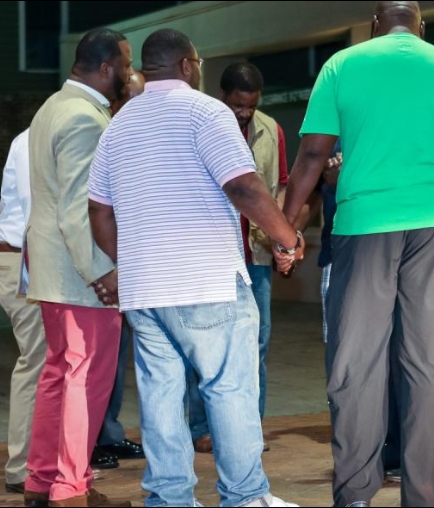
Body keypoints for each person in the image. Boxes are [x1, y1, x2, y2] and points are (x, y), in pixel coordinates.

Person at [281, 2, 434, 505]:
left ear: (375, 25)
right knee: (426, 364)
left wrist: (286, 229)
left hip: (365, 225)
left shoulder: (343, 65)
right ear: (422, 26)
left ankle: (356, 493)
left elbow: (313, 153)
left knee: (356, 363)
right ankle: (425, 495)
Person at [88, 28, 300, 508]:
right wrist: (288, 238)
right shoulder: (207, 112)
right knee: (230, 389)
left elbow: (98, 210)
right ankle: (245, 496)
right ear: (187, 65)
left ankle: (168, 499)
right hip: (207, 282)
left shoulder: (117, 125)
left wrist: (132, 261)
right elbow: (243, 186)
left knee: (161, 397)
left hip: (146, 293)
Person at [22, 27, 133, 508]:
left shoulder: (52, 107)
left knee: (58, 376)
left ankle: (42, 479)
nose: (130, 71)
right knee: (85, 380)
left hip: (54, 271)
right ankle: (71, 488)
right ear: (107, 68)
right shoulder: (85, 118)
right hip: (78, 273)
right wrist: (102, 272)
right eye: (126, 63)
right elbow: (77, 208)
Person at [190, 62, 289, 455]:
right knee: (207, 345)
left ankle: (250, 428)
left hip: (256, 256)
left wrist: (280, 237)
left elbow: (278, 189)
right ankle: (202, 427)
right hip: (212, 256)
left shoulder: (271, 130)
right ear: (222, 96)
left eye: (251, 105)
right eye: (237, 105)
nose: (245, 113)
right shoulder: (203, 124)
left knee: (255, 345)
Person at [92, 70, 147, 468]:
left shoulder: (142, 139)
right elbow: (94, 211)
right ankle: (93, 439)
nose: (137, 106)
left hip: (139, 269)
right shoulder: (104, 137)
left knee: (120, 357)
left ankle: (108, 433)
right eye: (131, 98)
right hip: (105, 268)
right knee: (100, 360)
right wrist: (110, 267)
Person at [0, 128, 47, 495]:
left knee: (45, 364)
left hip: (31, 259)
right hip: (26, 261)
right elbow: (35, 211)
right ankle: (24, 468)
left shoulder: (37, 135)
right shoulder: (34, 139)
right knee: (37, 363)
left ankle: (42, 464)